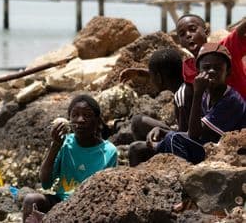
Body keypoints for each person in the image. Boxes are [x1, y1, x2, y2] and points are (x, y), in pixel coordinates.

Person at [132, 43, 246, 166]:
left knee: (173, 139)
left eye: (218, 68)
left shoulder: (230, 100)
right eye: (206, 68)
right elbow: (195, 134)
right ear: (198, 71)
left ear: (228, 72)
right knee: (163, 137)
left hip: (233, 153)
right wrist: (163, 131)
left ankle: (183, 176)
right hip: (215, 147)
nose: (212, 71)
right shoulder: (207, 94)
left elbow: (194, 134)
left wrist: (197, 94)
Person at [23, 94, 118, 223]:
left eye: (87, 115)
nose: (80, 120)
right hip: (61, 202)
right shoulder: (65, 143)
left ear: (97, 121)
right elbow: (45, 182)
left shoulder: (109, 151)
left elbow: (107, 193)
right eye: (75, 115)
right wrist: (55, 145)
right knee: (31, 200)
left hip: (89, 206)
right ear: (69, 120)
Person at [127, 48, 192, 166]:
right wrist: (142, 73)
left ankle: (142, 177)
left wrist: (162, 135)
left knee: (135, 149)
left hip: (188, 147)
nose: (151, 80)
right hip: (183, 134)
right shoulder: (185, 84)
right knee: (138, 121)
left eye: (152, 76)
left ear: (158, 77)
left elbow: (185, 139)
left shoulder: (182, 97)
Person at [176, 14, 246, 99]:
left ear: (207, 31)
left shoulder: (225, 49)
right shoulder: (188, 67)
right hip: (214, 111)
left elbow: (241, 30)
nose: (188, 35)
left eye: (192, 29)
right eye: (182, 34)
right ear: (179, 41)